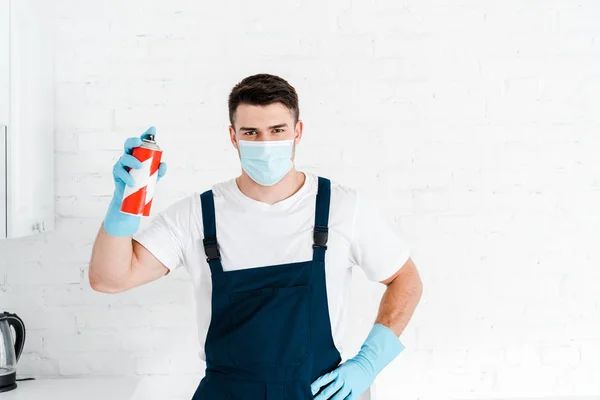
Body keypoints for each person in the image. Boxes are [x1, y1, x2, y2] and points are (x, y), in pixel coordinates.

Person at [89, 73, 423, 400]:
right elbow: (109, 279)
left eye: (277, 130)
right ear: (233, 137)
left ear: (298, 131)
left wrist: (368, 363)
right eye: (252, 132)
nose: (266, 144)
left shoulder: (341, 207)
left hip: (318, 392)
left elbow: (405, 279)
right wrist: (122, 209)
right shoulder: (197, 215)